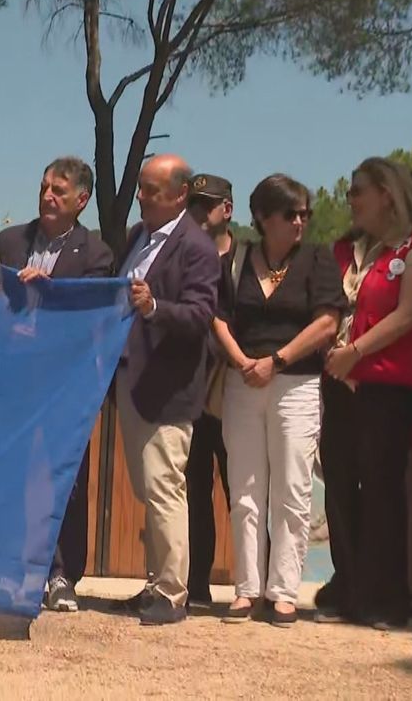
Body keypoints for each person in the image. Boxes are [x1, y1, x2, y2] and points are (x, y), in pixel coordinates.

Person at [320, 157, 412, 630]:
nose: (350, 200)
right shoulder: (345, 251)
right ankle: (350, 591)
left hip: (387, 384)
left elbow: (410, 314)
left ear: (387, 194)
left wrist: (355, 351)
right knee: (339, 484)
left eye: (357, 191)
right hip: (339, 382)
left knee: (381, 488)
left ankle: (387, 600)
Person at [212, 174, 343, 626]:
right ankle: (247, 589)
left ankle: (283, 591)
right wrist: (242, 360)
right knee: (245, 488)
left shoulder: (318, 259)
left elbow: (328, 322)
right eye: (291, 213)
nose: (301, 221)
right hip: (242, 380)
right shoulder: (239, 260)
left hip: (296, 383)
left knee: (293, 487)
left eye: (305, 213)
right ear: (265, 218)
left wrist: (277, 361)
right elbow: (218, 316)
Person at [0, 156, 112, 612]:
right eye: (44, 187)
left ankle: (61, 575)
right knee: (11, 475)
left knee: (65, 479)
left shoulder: (96, 253)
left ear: (81, 200)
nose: (47, 196)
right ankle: (8, 569)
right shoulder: (8, 241)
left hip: (64, 383)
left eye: (59, 191)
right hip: (13, 380)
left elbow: (92, 316)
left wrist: (52, 292)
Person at [112, 154, 220, 625]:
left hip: (168, 387)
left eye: (153, 190)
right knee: (148, 487)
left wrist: (155, 306)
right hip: (133, 381)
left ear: (180, 196)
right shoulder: (138, 237)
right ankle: (156, 582)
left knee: (164, 488)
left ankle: (173, 593)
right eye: (140, 187)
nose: (141, 196)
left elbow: (200, 316)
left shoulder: (198, 247)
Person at [184, 173, 235, 609]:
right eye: (193, 206)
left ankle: (255, 588)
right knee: (194, 491)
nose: (199, 215)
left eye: (207, 206)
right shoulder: (180, 255)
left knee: (244, 493)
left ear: (227, 210)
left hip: (234, 390)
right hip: (189, 389)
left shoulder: (245, 260)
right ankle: (194, 583)